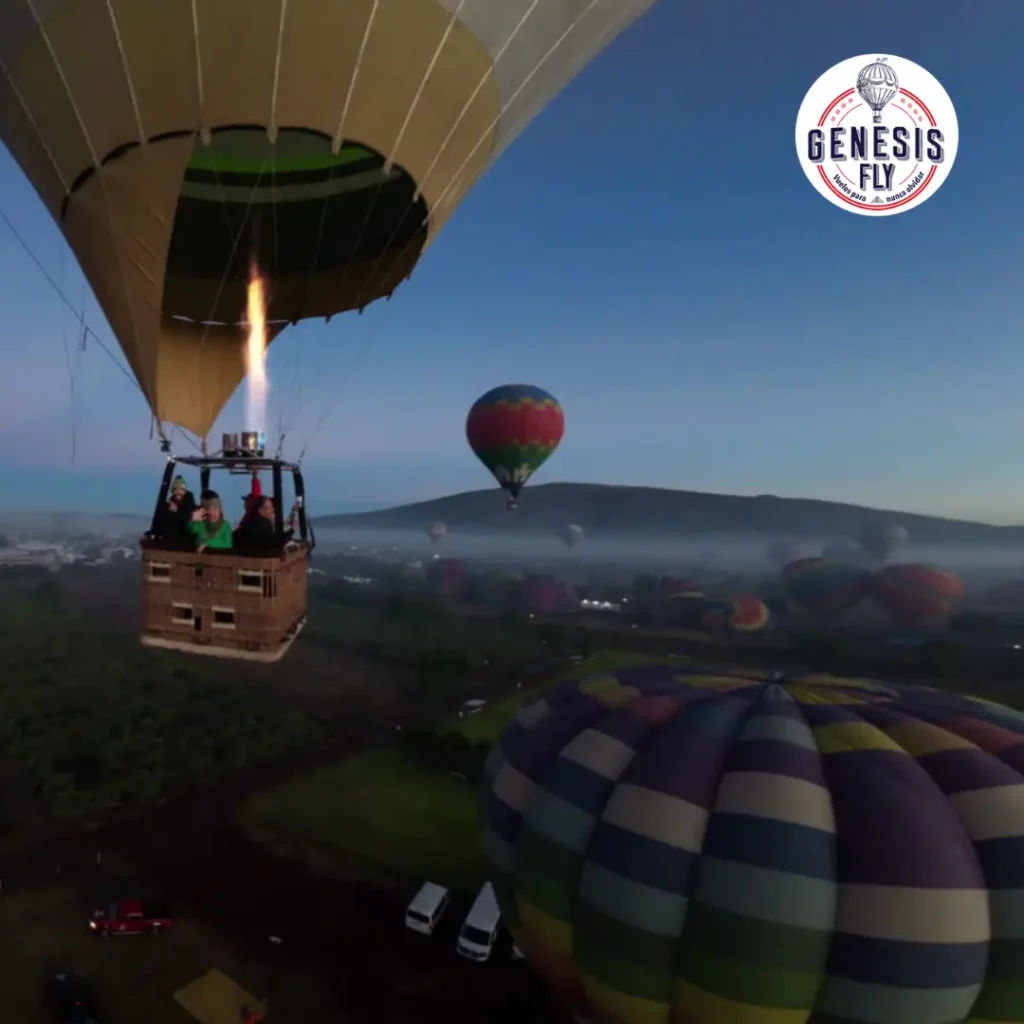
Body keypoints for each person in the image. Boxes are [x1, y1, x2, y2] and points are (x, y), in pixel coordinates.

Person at [234, 495, 299, 552]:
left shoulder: (249, 521)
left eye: (272, 507)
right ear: (260, 510)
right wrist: (291, 532)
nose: (272, 509)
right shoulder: (264, 524)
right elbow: (274, 544)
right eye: (270, 507)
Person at [158, 475, 196, 546]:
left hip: (185, 542)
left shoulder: (189, 503)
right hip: (170, 541)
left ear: (185, 491)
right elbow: (162, 523)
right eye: (176, 489)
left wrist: (177, 511)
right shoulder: (169, 505)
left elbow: (187, 519)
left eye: (181, 490)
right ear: (173, 491)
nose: (179, 492)